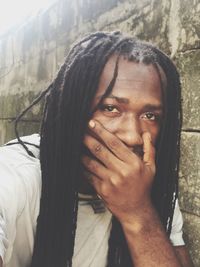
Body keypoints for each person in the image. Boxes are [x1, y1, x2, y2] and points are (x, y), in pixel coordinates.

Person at [0, 31, 194, 267]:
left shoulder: (146, 185)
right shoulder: (17, 176)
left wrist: (138, 213)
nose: (132, 136)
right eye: (111, 108)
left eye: (150, 115)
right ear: (74, 108)